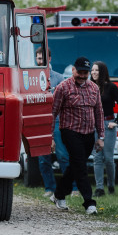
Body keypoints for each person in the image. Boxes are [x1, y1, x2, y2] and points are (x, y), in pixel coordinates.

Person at [50, 56, 104, 215]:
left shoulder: (94, 88)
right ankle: (89, 202)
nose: (82, 75)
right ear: (73, 70)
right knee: (80, 166)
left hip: (88, 134)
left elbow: (99, 113)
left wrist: (101, 137)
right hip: (70, 132)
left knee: (76, 165)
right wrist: (50, 137)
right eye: (79, 72)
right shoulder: (62, 88)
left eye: (85, 73)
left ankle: (59, 194)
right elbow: (53, 113)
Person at [35, 47, 77, 197]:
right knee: (43, 159)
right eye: (39, 58)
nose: (41, 61)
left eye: (43, 58)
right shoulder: (31, 79)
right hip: (40, 123)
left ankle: (73, 188)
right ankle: (49, 188)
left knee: (63, 155)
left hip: (57, 122)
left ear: (49, 59)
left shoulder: (59, 79)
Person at [90, 61, 118, 196]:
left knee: (108, 158)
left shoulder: (111, 87)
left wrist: (115, 121)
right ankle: (99, 188)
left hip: (107, 125)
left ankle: (111, 185)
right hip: (94, 126)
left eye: (96, 70)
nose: (93, 72)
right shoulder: (89, 87)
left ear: (103, 72)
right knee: (97, 157)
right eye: (92, 70)